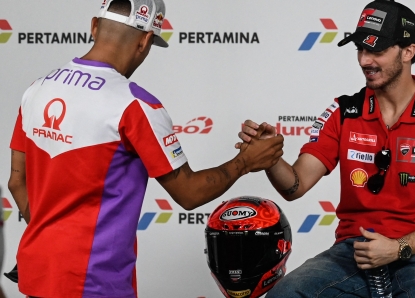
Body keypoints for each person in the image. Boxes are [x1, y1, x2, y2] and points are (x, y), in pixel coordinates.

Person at [7, 0, 283, 297]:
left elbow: (16, 181)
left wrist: (51, 241)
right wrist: (245, 162)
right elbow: (189, 193)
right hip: (93, 282)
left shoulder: (37, 89)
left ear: (94, 26)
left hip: (37, 272)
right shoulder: (135, 105)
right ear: (145, 41)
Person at [237, 0, 415, 297]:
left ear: (408, 51)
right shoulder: (343, 111)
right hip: (355, 251)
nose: (365, 60)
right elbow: (295, 186)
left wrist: (398, 248)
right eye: (360, 49)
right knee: (285, 294)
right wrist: (271, 157)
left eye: (376, 50)